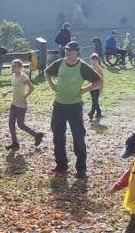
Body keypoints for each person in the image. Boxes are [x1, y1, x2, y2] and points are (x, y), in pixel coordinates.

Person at [44, 41, 102, 178]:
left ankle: (81, 169)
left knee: (78, 137)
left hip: (75, 107)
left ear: (77, 52)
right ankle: (61, 165)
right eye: (66, 49)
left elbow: (98, 81)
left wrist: (84, 90)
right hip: (59, 105)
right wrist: (52, 84)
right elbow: (47, 72)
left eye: (70, 50)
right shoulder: (60, 63)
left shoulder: (82, 66)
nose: (67, 52)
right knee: (58, 136)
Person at [2, 59, 44, 151]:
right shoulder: (13, 76)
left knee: (21, 124)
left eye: (15, 66)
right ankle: (14, 143)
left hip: (21, 104)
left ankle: (37, 135)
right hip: (14, 103)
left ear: (20, 67)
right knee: (11, 124)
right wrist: (7, 92)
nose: (13, 68)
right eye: (12, 66)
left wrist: (25, 96)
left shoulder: (23, 76)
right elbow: (15, 88)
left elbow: (32, 88)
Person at [88, 53, 104, 120]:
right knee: (94, 101)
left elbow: (101, 79)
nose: (94, 62)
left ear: (97, 61)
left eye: (95, 60)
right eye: (92, 60)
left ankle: (91, 112)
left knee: (94, 100)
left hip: (97, 88)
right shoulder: (89, 68)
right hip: (91, 87)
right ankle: (99, 112)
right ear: (90, 60)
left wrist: (100, 86)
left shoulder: (99, 69)